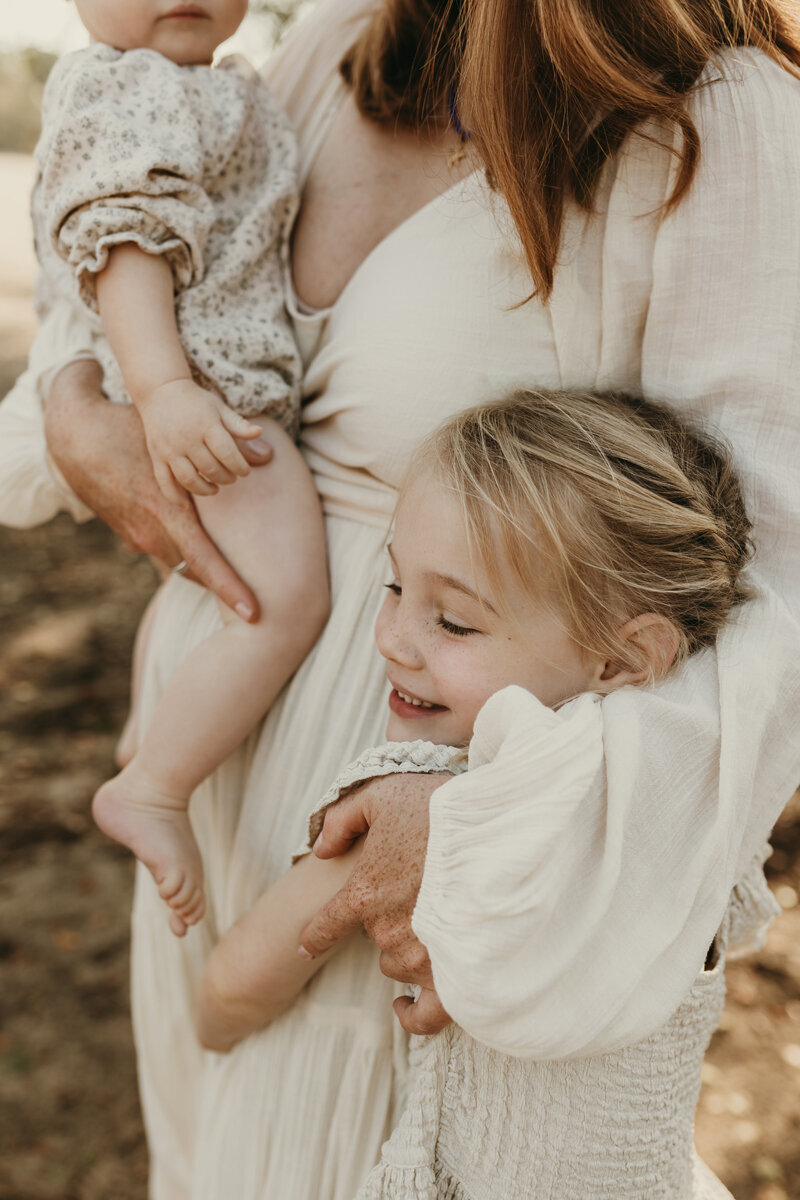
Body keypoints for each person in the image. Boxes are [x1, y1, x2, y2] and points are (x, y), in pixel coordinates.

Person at [1, 0, 799, 1195]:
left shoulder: (718, 121)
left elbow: (765, 596)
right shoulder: (338, 40)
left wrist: (478, 836)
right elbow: (124, 241)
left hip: (413, 839)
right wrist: (71, 396)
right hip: (204, 791)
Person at [194, 388, 758, 1197]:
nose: (392, 638)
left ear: (625, 658)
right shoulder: (703, 805)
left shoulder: (421, 811)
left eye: (453, 622)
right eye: (393, 588)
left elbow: (226, 999)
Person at [21, 0, 328, 936]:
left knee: (190, 582)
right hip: (206, 400)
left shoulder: (217, 83)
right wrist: (161, 392)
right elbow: (122, 240)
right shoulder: (127, 83)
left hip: (212, 388)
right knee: (284, 602)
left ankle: (143, 732)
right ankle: (151, 787)